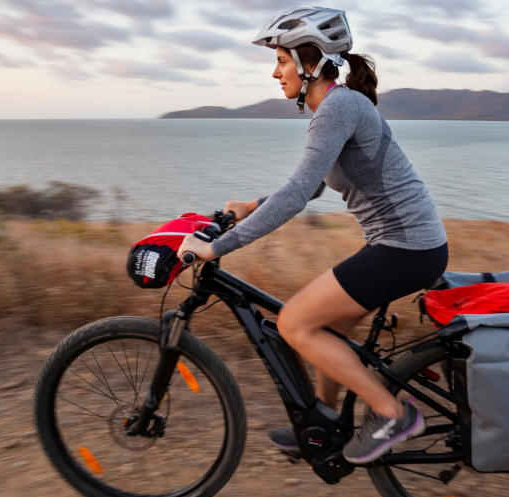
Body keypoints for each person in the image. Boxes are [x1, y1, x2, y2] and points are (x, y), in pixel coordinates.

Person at [177, 6, 448, 464]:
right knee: (325, 329)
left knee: (294, 323)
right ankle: (324, 424)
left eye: (281, 61)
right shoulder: (339, 108)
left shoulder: (339, 107)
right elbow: (318, 181)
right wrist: (250, 207)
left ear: (310, 61)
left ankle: (391, 414)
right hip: (404, 245)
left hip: (405, 248)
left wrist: (217, 247)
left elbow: (300, 193)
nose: (274, 73)